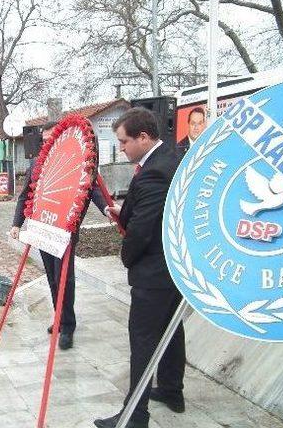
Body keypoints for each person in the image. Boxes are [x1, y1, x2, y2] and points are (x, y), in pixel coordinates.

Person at [94, 108, 184, 428]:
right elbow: (147, 208)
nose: (121, 148)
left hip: (155, 271)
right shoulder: (167, 159)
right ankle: (172, 389)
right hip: (172, 268)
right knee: (171, 330)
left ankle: (136, 414)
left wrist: (126, 258)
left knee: (143, 339)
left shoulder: (154, 172)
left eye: (124, 142)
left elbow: (142, 230)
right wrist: (122, 210)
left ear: (143, 138)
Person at [10, 121, 108, 350]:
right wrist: (17, 224)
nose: (49, 144)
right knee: (52, 278)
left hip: (64, 230)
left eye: (52, 139)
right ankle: (59, 318)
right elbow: (26, 196)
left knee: (65, 278)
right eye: (45, 141)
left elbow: (92, 187)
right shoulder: (37, 164)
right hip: (42, 229)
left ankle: (68, 325)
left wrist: (105, 209)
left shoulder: (76, 163)